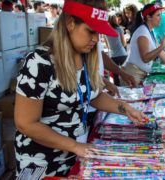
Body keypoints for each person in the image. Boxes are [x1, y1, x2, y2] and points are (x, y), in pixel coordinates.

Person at [14, 0, 146, 177]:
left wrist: (125, 108)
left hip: (77, 155)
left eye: (98, 33)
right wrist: (75, 146)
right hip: (42, 162)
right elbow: (26, 123)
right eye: (90, 31)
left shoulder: (84, 56)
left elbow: (92, 95)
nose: (96, 39)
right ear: (70, 23)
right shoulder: (39, 62)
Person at [122, 3, 165, 86]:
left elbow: (161, 53)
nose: (161, 18)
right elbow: (145, 58)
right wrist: (162, 46)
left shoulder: (150, 31)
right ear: (148, 17)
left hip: (137, 73)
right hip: (133, 74)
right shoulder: (142, 32)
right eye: (158, 15)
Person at [105, 14, 128, 86]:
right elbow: (124, 43)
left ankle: (117, 92)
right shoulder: (119, 29)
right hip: (122, 54)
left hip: (113, 55)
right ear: (115, 20)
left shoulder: (105, 30)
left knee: (115, 77)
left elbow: (107, 45)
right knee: (125, 74)